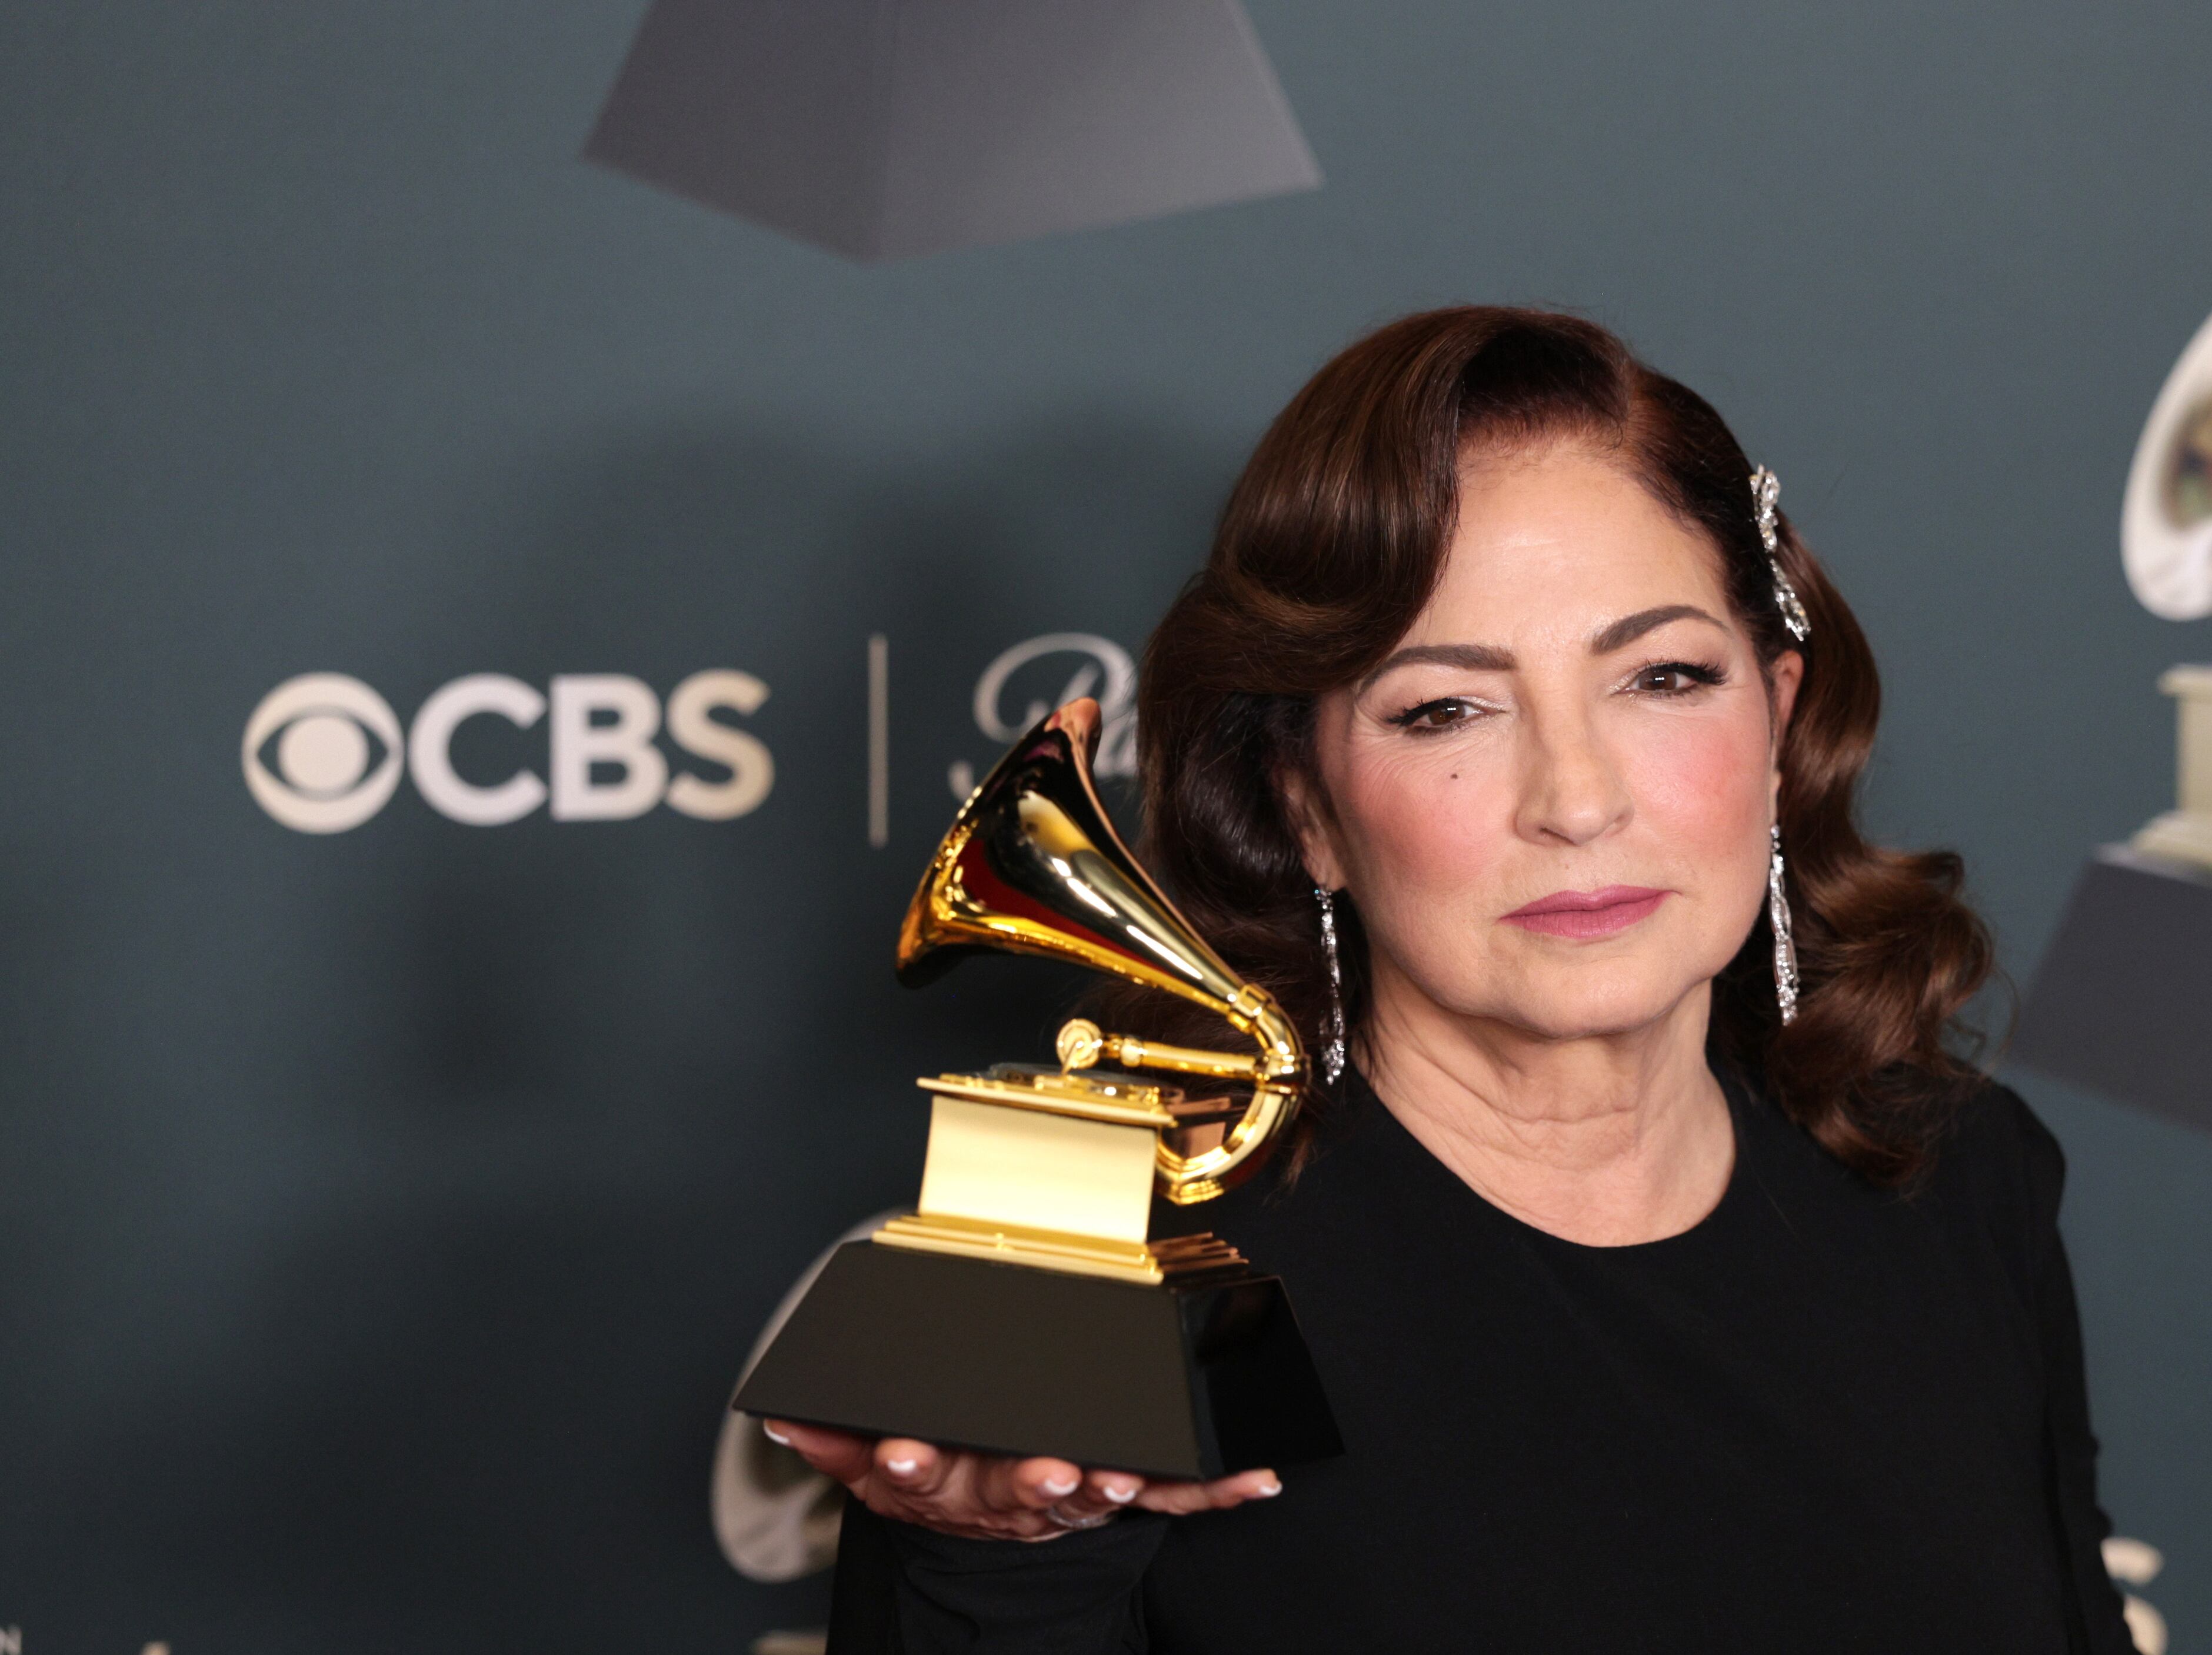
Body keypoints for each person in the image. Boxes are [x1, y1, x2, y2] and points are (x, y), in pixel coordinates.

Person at [729, 307, 2138, 1652]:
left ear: (1775, 720)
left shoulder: (1957, 1176)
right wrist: (1000, 1569)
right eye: (1444, 708)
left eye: (1659, 679)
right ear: (1306, 807)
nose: (1576, 801)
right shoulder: (1114, 1293)